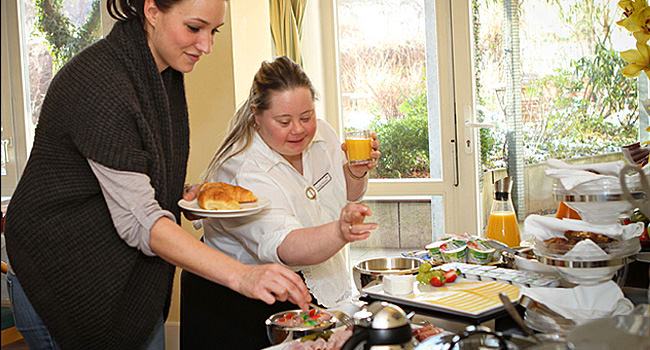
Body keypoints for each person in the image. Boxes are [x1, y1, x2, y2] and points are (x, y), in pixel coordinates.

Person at [3, 1, 311, 349]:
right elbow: (140, 220)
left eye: (214, 31)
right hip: (60, 271)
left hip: (126, 281)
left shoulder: (161, 72)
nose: (206, 46)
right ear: (152, 11)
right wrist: (243, 276)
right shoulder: (100, 83)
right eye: (195, 28)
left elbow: (126, 175)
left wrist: (180, 194)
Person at [180, 56, 381, 348]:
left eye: (306, 116)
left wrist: (354, 171)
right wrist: (339, 232)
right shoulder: (244, 168)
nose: (298, 130)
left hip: (303, 286)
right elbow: (286, 247)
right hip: (238, 303)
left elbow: (346, 194)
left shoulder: (323, 133)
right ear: (256, 115)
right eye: (284, 121)